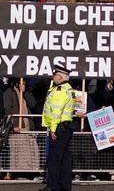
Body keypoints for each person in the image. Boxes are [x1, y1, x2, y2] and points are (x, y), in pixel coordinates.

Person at [41, 60, 77, 191]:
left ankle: (52, 185)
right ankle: (64, 185)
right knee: (65, 158)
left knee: (54, 158)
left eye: (55, 74)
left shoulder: (60, 90)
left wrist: (53, 129)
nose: (53, 76)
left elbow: (57, 111)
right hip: (66, 127)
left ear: (60, 77)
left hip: (59, 127)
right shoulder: (68, 89)